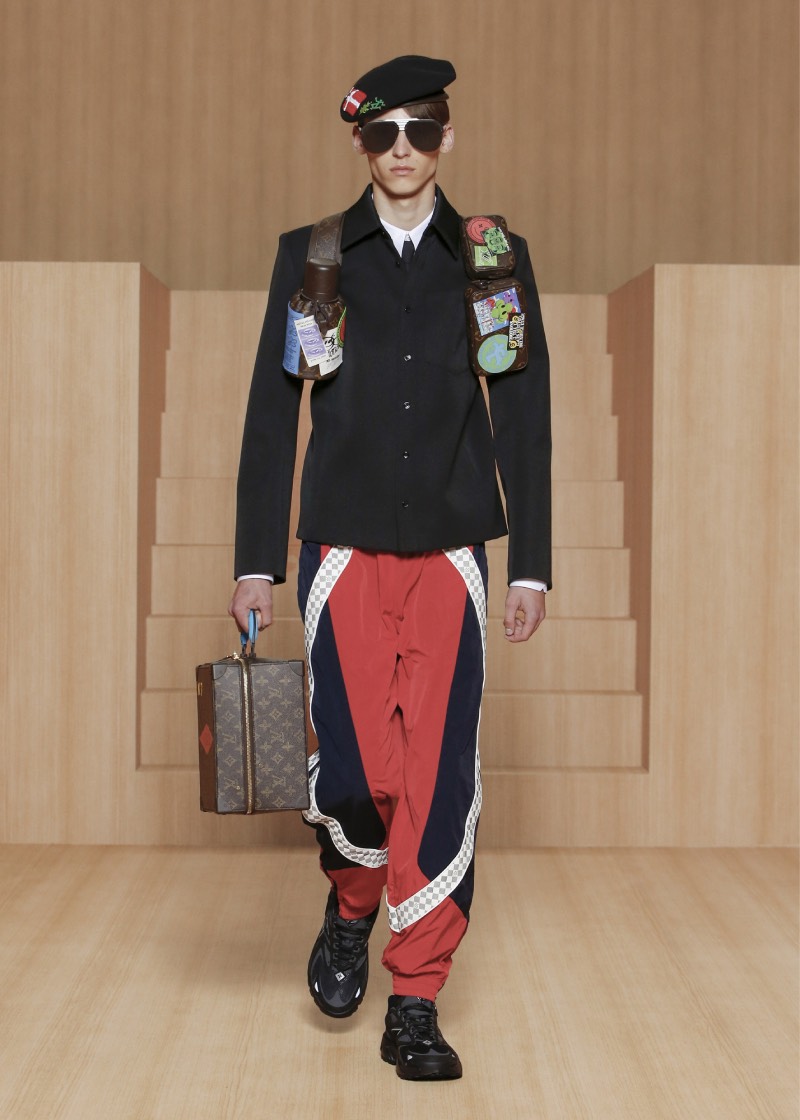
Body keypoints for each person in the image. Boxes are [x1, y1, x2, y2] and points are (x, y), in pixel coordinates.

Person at [229, 54, 551, 1082]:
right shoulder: (316, 255)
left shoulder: (491, 257)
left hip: (451, 551)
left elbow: (522, 409)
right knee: (360, 773)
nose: (401, 149)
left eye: (418, 130)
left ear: (446, 138)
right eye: (381, 133)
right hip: (341, 550)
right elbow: (274, 408)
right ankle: (352, 901)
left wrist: (532, 565)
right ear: (361, 143)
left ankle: (415, 997)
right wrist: (255, 561)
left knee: (439, 774)